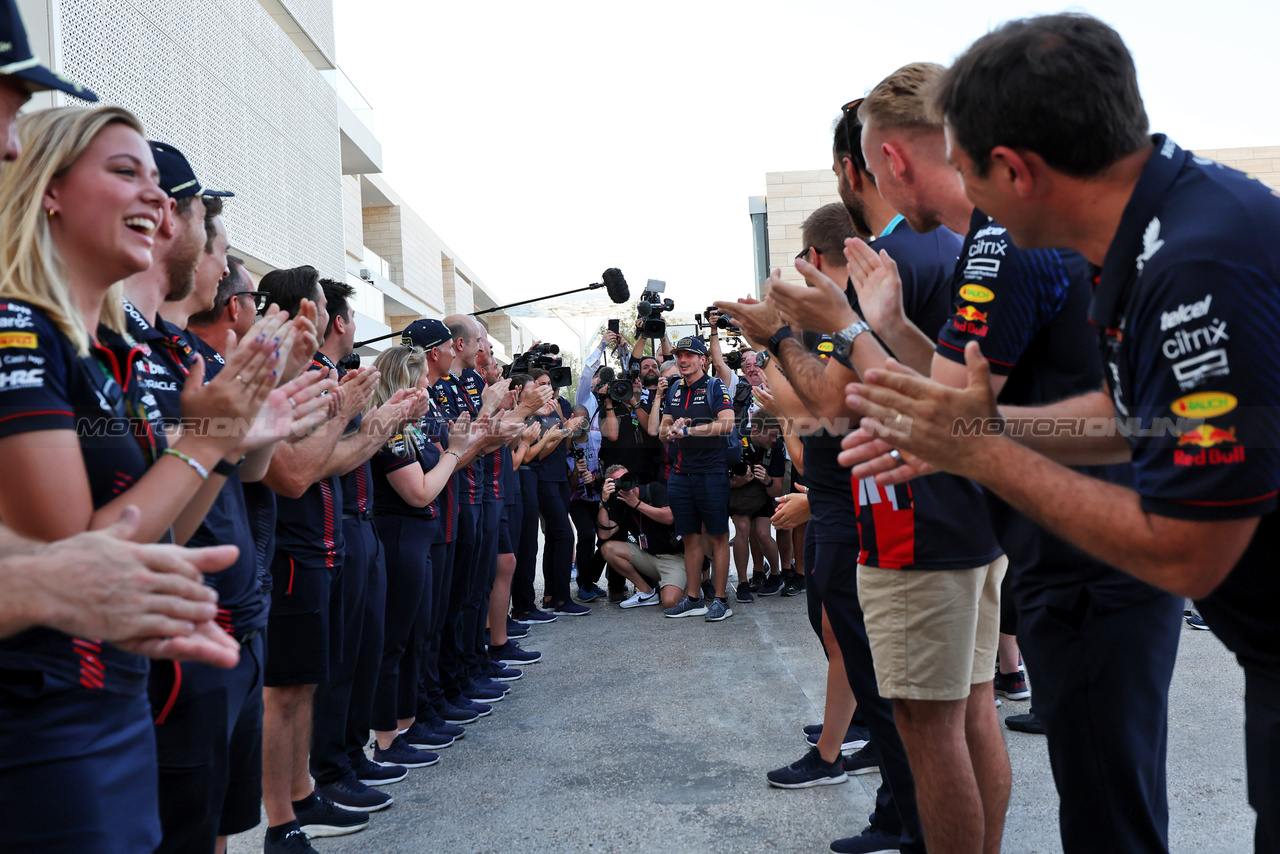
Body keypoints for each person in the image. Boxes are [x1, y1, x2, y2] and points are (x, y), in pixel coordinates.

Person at [840, 15, 1280, 851]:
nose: (969, 199)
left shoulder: (1195, 265)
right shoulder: (1160, 229)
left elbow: (1192, 552)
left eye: (967, 168)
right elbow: (1138, 416)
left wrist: (980, 447)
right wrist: (967, 424)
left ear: (1015, 169)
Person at [0, 105, 273, 853]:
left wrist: (217, 439)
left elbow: (168, 526)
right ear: (48, 191)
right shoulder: (17, 330)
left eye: (159, 184)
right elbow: (78, 555)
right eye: (127, 174)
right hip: (52, 723)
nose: (157, 199)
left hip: (117, 705)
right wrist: (204, 440)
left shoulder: (103, 352)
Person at [254, 266, 382, 849]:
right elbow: (300, 472)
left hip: (322, 547)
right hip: (291, 551)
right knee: (283, 690)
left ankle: (304, 793)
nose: (335, 318)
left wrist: (378, 424)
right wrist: (345, 413)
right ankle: (280, 818)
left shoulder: (317, 376)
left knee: (305, 683)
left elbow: (329, 460)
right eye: (326, 306)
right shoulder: (285, 383)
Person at [367, 342, 467, 769]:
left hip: (418, 535)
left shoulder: (411, 427)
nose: (429, 388)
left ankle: (406, 725)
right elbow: (420, 490)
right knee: (394, 641)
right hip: (400, 535)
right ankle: (386, 738)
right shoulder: (390, 431)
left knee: (414, 635)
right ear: (403, 384)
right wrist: (455, 452)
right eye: (422, 381)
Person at [657, 336, 736, 622]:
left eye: (690, 355)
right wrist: (672, 429)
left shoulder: (715, 386)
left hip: (711, 474)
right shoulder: (675, 388)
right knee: (689, 537)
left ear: (703, 359)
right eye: (679, 355)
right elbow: (662, 430)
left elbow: (727, 422)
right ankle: (693, 598)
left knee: (718, 536)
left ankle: (721, 600)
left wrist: (691, 431)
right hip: (680, 475)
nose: (683, 360)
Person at [597, 465, 687, 609]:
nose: (626, 483)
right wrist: (603, 502)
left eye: (626, 477)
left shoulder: (654, 489)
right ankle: (647, 592)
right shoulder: (620, 502)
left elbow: (669, 517)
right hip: (648, 556)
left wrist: (637, 504)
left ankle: (689, 582)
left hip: (673, 557)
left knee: (670, 603)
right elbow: (605, 533)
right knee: (607, 549)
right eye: (619, 481)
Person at [727, 412, 784, 603]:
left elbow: (776, 490)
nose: (774, 439)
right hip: (738, 496)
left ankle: (776, 574)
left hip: (761, 495)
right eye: (770, 435)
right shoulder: (735, 442)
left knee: (763, 533)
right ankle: (743, 582)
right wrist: (737, 482)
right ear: (755, 430)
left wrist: (767, 480)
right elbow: (720, 481)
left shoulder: (775, 447)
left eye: (776, 435)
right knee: (742, 528)